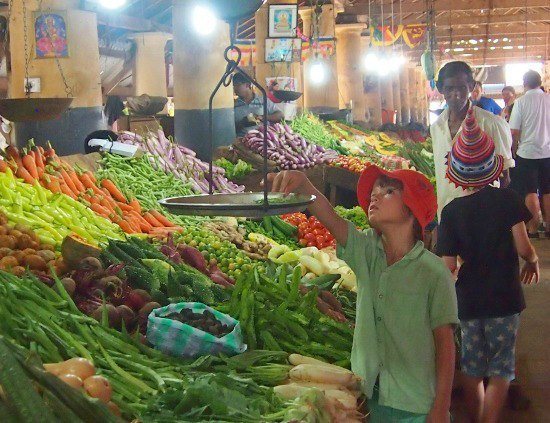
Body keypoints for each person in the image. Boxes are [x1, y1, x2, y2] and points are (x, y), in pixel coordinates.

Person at [268, 167, 458, 422]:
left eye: (389, 191)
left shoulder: (434, 273)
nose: (375, 196)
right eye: (375, 191)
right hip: (369, 396)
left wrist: (441, 408)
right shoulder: (367, 251)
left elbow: (445, 345)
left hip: (416, 403)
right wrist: (305, 186)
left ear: (412, 208)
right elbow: (331, 218)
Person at [438, 107, 539, 423]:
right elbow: (524, 247)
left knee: (472, 367)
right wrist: (533, 260)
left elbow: (448, 266)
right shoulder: (508, 200)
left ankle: (476, 416)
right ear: (495, 169)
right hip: (504, 299)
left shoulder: (451, 212)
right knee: (500, 370)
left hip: (468, 301)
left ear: (456, 173)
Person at [431, 61, 514, 219]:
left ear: (471, 86)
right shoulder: (436, 128)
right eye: (449, 88)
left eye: (462, 88)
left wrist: (500, 218)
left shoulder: (492, 124)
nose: (456, 95)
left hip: (484, 216)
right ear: (440, 88)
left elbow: (505, 177)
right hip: (448, 216)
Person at [509, 70, 550, 237]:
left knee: (530, 191)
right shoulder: (548, 99)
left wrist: (513, 149)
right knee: (547, 191)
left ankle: (533, 229)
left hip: (527, 154)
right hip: (548, 153)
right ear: (539, 82)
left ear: (525, 83)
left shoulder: (521, 102)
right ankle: (548, 228)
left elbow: (514, 131)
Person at [233, 72, 283, 137]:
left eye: (237, 85)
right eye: (234, 86)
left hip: (263, 140)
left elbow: (280, 115)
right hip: (242, 141)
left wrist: (262, 117)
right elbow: (230, 127)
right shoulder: (234, 105)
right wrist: (242, 124)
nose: (235, 89)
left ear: (247, 85)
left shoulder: (263, 100)